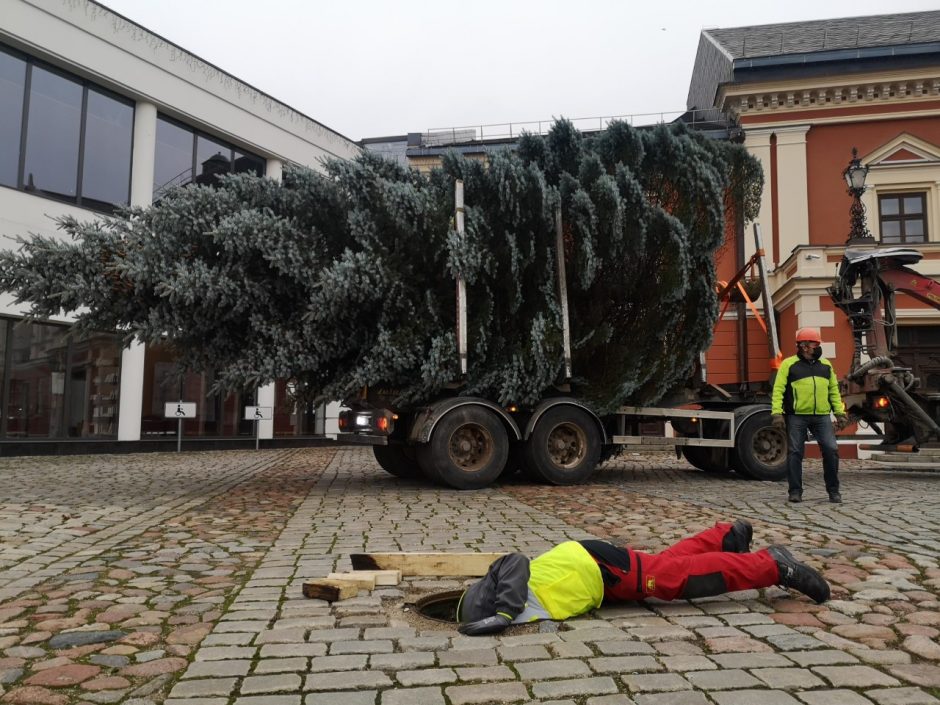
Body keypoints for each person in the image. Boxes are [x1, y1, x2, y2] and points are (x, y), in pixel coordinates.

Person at [456, 519, 830, 635]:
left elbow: (515, 559)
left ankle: (773, 565)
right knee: (663, 567)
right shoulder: (504, 605)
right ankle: (726, 537)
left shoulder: (504, 594)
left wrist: (503, 614)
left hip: (596, 566)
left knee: (676, 580)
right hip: (599, 585)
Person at [771, 327, 848, 504]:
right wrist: (776, 413)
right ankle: (795, 491)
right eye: (814, 343)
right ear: (804, 346)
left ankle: (833, 490)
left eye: (817, 343)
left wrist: (839, 413)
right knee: (795, 452)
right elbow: (778, 390)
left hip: (822, 416)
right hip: (796, 416)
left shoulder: (826, 365)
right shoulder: (788, 365)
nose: (817, 346)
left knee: (831, 450)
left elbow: (833, 391)